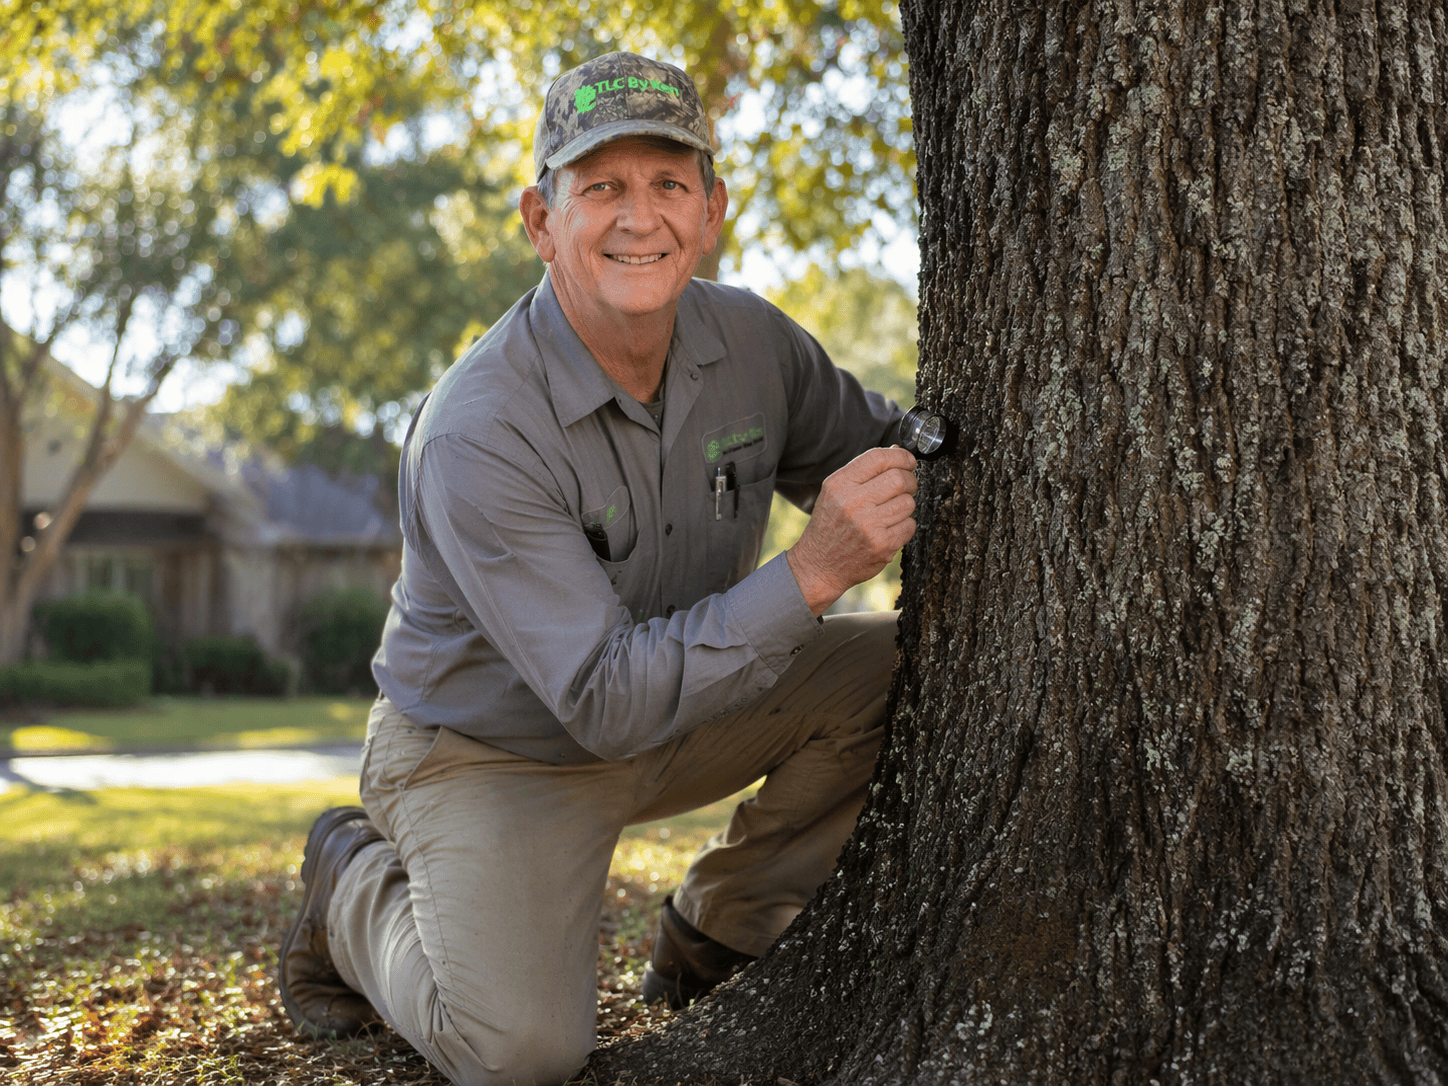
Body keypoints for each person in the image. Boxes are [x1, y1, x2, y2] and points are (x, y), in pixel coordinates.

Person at [276, 51, 918, 1086]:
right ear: (540, 221)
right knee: (519, 1055)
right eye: (601, 187)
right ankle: (347, 889)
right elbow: (602, 701)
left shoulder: (753, 343)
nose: (639, 218)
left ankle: (721, 924)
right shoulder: (478, 431)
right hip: (492, 753)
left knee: (902, 668)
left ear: (711, 209)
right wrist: (812, 569)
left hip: (688, 704)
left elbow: (876, 448)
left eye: (668, 184)